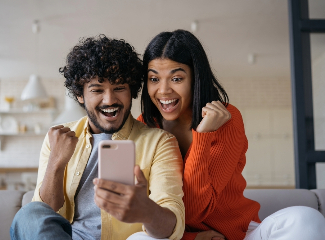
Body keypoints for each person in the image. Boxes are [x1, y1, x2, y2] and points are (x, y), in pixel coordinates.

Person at [138, 29, 325, 240]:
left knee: (307, 218)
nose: (163, 90)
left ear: (195, 78)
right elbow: (156, 211)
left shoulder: (226, 118)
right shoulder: (144, 126)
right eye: (154, 79)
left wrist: (203, 135)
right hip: (177, 238)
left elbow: (194, 208)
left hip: (239, 236)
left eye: (177, 78)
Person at [10, 35, 185, 240]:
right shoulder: (57, 138)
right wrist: (56, 163)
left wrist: (147, 211)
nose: (109, 100)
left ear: (132, 91)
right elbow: (42, 217)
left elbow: (173, 225)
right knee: (29, 215)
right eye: (97, 90)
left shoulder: (159, 142)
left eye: (119, 88)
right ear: (80, 95)